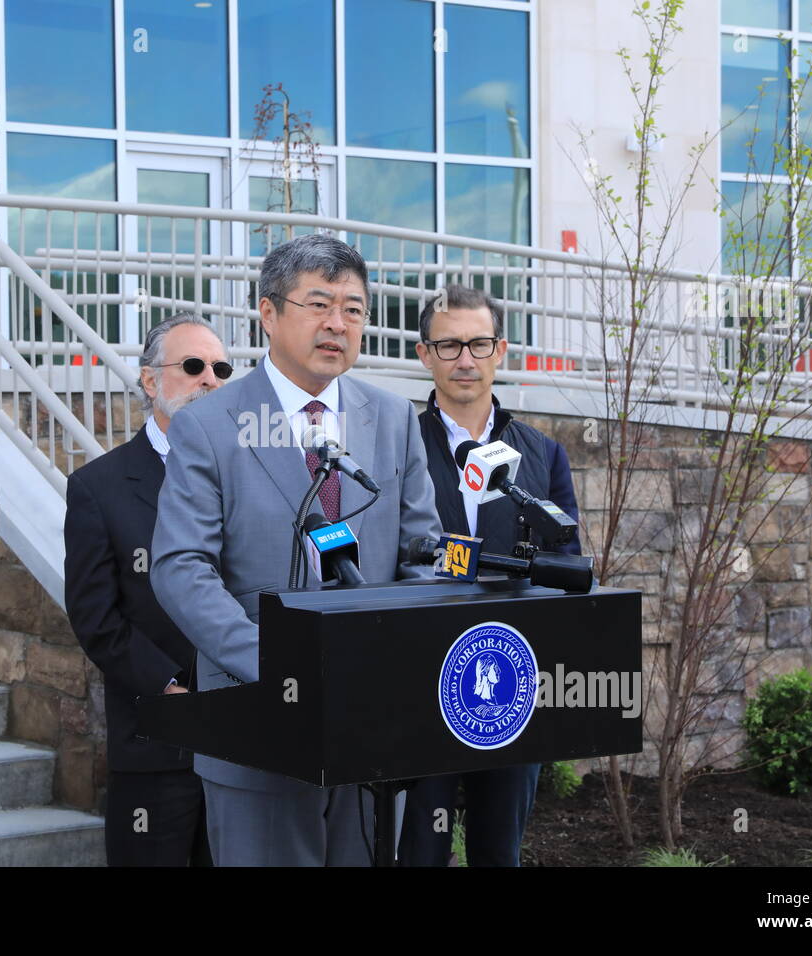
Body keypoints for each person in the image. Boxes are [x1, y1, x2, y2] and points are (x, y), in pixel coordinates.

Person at [150, 234, 442, 866]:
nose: (337, 323)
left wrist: (398, 653)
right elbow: (181, 568)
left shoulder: (393, 419)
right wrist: (276, 663)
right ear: (269, 313)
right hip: (255, 718)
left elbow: (424, 553)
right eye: (318, 304)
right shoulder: (209, 424)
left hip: (372, 724)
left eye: (354, 309)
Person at [398, 283, 582, 867]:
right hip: (416, 677)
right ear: (424, 355)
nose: (465, 360)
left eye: (479, 344)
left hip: (509, 677)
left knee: (498, 851)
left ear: (501, 349)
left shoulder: (542, 453)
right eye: (448, 346)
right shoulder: (398, 444)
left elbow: (566, 562)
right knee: (418, 851)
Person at [64, 313, 229, 867]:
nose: (209, 378)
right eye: (192, 366)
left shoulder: (252, 472)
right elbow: (96, 617)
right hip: (156, 742)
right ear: (150, 381)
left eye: (220, 368)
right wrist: (168, 688)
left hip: (246, 738)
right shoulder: (99, 487)